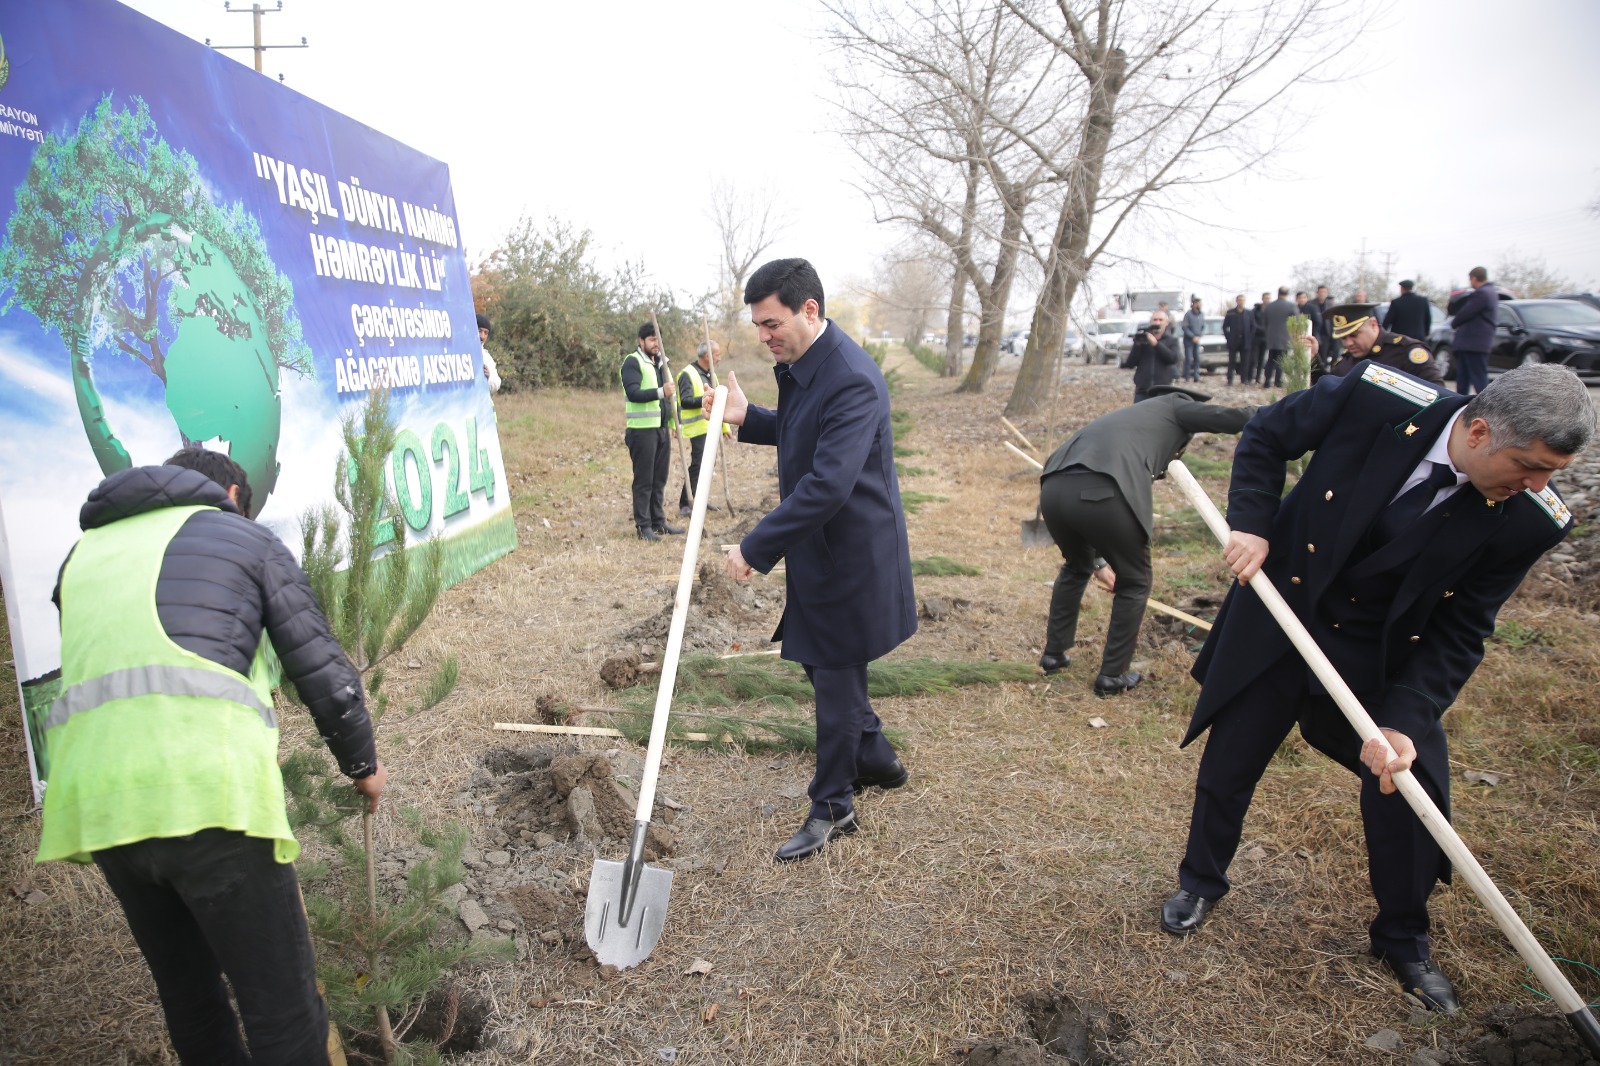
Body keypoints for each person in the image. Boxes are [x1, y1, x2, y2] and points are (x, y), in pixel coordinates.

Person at [1159, 363, 1594, 1014]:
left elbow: (1463, 627)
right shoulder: (1374, 399)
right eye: (1529, 465)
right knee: (1232, 759)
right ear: (1478, 431)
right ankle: (1201, 881)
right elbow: (1266, 436)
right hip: (1286, 613)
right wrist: (1251, 522)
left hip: (1379, 657)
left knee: (1410, 792)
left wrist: (1404, 720)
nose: (1537, 484)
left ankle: (1402, 937)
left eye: (1551, 473)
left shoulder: (1530, 518)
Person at [37, 447, 386, 1066]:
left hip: (102, 808)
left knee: (191, 1000)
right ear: (231, 499)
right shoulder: (240, 537)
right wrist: (363, 767)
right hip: (209, 795)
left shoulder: (79, 558)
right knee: (282, 1011)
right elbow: (322, 668)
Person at [719, 258, 917, 863]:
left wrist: (755, 546)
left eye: (771, 322)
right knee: (819, 663)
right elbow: (804, 430)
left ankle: (834, 804)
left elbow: (828, 483)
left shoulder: (851, 376)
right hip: (822, 547)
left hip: (853, 553)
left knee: (831, 676)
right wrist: (746, 419)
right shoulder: (808, 364)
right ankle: (877, 757)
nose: (763, 336)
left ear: (809, 309)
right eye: (757, 325)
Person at [1037, 385, 1255, 697]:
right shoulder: (1176, 405)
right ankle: (1112, 675)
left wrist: (1097, 561)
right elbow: (1236, 418)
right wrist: (1296, 406)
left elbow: (1081, 492)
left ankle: (1053, 655)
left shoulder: (1130, 419)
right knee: (1135, 581)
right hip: (1103, 489)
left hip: (1053, 489)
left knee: (1076, 567)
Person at [619, 322, 683, 541]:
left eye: (659, 339)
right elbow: (634, 392)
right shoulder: (632, 362)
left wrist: (674, 424)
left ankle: (658, 522)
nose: (657, 343)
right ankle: (643, 526)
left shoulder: (662, 365)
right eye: (652, 339)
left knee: (660, 479)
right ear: (641, 341)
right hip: (642, 431)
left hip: (661, 430)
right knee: (644, 480)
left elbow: (671, 398)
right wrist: (660, 391)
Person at [1321, 302, 1444, 385]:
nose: (1348, 343)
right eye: (1343, 338)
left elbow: (1439, 395)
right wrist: (1313, 358)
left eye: (1354, 335)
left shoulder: (1405, 351)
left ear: (1373, 325)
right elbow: (1328, 388)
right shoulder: (1347, 359)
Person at [677, 337, 724, 516]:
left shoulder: (711, 373)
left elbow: (720, 403)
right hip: (697, 428)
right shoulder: (687, 374)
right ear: (707, 356)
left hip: (710, 427)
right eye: (717, 355)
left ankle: (700, 500)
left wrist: (725, 428)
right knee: (698, 465)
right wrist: (707, 398)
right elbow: (686, 401)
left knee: (707, 466)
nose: (719, 358)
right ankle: (686, 502)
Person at [1449, 267, 1499, 397]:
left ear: (1474, 278)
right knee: (1469, 376)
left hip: (1472, 343)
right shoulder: (1492, 292)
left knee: (1474, 378)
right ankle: (1464, 402)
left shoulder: (1482, 293)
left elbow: (1466, 312)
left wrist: (1454, 323)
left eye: (1470, 279)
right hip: (1477, 343)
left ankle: (1483, 405)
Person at [1125, 309, 1179, 403]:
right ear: (1151, 322)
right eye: (1155, 319)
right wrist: (1137, 346)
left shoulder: (1172, 340)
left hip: (1163, 390)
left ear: (1166, 323)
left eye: (1161, 320)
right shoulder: (1143, 340)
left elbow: (1172, 359)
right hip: (1143, 390)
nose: (1157, 322)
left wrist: (1156, 344)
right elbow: (1130, 363)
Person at [1261, 286, 1296, 388]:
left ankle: (1267, 381)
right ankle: (1278, 381)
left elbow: (1265, 322)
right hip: (1285, 337)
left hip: (1271, 337)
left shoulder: (1269, 306)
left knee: (1270, 360)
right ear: (1287, 293)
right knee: (1281, 361)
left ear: (1278, 293)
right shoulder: (1291, 306)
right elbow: (1296, 321)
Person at [1221, 295, 1254, 386]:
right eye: (1239, 300)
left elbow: (1253, 326)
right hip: (1234, 341)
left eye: (1243, 300)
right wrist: (1228, 337)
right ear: (1236, 301)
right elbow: (1225, 327)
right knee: (1232, 361)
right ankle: (1230, 380)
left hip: (1245, 341)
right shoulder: (1231, 312)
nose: (1241, 302)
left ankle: (1244, 379)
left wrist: (1250, 338)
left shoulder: (1249, 313)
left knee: (1245, 361)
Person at [1181, 297, 1205, 383]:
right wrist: (1192, 336)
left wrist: (1199, 336)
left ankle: (1196, 376)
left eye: (1200, 303)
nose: (1199, 305)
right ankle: (1187, 377)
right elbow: (1184, 327)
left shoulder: (1201, 314)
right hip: (1188, 341)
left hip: (1197, 340)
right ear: (1193, 304)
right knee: (1188, 359)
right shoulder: (1188, 314)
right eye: (1197, 303)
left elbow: (1203, 327)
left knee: (1197, 358)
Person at [477, 312, 501, 393]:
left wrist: (488, 378)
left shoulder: (486, 357)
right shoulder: (460, 352)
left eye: (485, 332)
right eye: (479, 331)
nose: (482, 336)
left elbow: (497, 383)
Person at [1250, 293, 1270, 384]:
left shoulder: (1271, 310)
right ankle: (1250, 377)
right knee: (1254, 359)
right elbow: (1252, 322)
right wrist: (1260, 329)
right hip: (1256, 337)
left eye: (1269, 298)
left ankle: (1258, 378)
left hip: (1266, 338)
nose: (1267, 300)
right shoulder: (1255, 310)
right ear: (1262, 298)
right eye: (1266, 298)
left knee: (1262, 359)